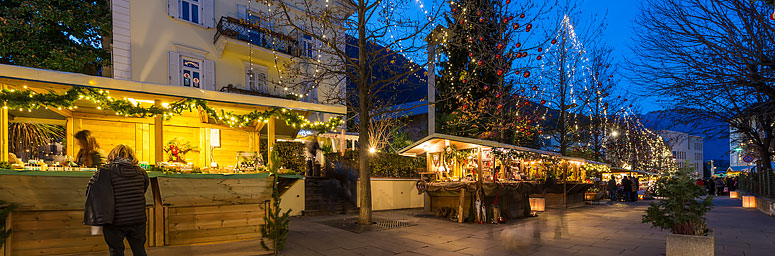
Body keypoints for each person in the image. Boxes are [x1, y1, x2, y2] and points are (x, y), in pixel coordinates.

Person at [86, 145, 149, 256]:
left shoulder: (105, 171)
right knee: (139, 249)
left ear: (112, 155)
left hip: (115, 220)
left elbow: (91, 189)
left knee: (116, 250)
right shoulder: (141, 172)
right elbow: (144, 188)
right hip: (137, 219)